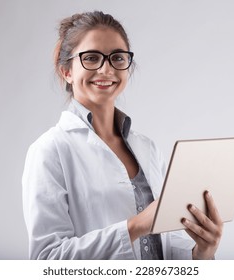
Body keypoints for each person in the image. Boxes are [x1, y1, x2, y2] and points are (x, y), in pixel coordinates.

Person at [22, 11, 223, 260]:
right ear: (66, 71)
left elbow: (166, 247)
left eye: (117, 57)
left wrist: (202, 251)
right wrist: (135, 226)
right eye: (92, 58)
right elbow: (47, 259)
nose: (106, 69)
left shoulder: (147, 148)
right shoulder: (49, 150)